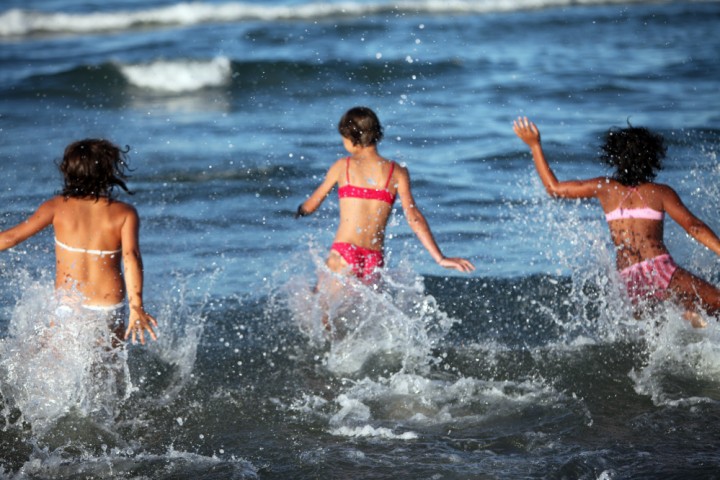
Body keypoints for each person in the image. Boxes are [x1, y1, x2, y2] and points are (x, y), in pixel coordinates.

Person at [513, 116, 720, 326]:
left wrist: (535, 145)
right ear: (652, 158)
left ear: (615, 158)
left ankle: (689, 315)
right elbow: (694, 227)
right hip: (658, 269)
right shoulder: (660, 193)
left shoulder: (605, 189)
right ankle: (691, 315)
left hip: (629, 279)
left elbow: (554, 189)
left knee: (659, 322)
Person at [0, 139, 158, 344]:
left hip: (69, 306)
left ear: (69, 171)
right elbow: (131, 258)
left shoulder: (56, 207)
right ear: (108, 172)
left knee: (56, 365)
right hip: (108, 306)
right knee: (111, 370)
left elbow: (10, 238)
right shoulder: (124, 213)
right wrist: (137, 307)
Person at [296, 106, 475, 283]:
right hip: (374, 259)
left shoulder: (343, 166)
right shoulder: (397, 172)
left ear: (351, 138)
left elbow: (312, 204)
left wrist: (301, 210)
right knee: (364, 311)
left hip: (345, 252)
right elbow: (414, 217)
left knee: (324, 308)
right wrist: (440, 258)